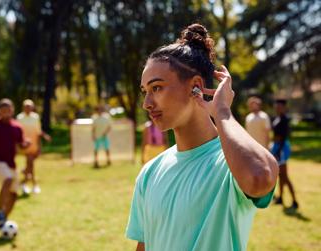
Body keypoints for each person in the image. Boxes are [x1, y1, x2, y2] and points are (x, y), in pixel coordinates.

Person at [125, 23, 278, 251]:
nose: (147, 103)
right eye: (145, 91)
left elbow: (260, 178)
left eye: (157, 88)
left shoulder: (230, 162)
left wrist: (222, 111)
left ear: (196, 86)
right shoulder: (149, 172)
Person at [0, 98, 30, 229]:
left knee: (14, 194)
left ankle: (2, 221)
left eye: (8, 111)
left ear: (12, 111)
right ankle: (0, 213)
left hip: (10, 163)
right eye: (3, 111)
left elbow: (21, 145)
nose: (6, 114)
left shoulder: (17, 127)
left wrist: (26, 144)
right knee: (7, 180)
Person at [17, 99, 51, 194]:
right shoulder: (19, 118)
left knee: (30, 165)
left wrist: (44, 137)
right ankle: (33, 185)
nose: (28, 108)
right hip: (24, 145)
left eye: (29, 106)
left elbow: (38, 131)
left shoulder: (35, 117)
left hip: (34, 144)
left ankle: (24, 181)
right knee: (30, 163)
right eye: (26, 106)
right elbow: (18, 133)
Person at [271, 99, 299, 209]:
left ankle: (295, 201)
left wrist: (278, 152)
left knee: (285, 176)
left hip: (281, 148)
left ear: (284, 107)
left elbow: (284, 136)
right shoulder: (277, 118)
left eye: (279, 106)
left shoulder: (285, 119)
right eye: (276, 106)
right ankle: (281, 198)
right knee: (280, 175)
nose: (277, 108)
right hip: (277, 147)